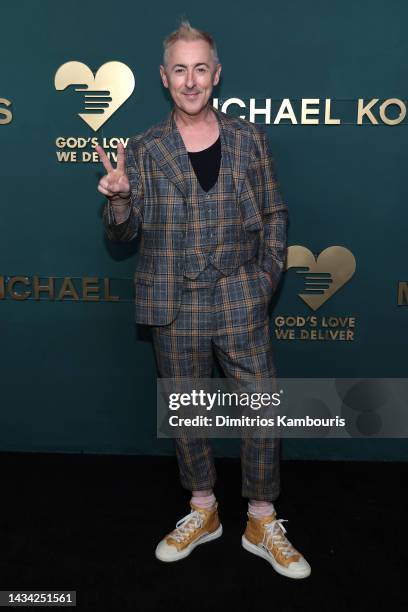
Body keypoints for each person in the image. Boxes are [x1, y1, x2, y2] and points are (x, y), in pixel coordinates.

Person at [96, 20, 311, 579]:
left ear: (216, 75)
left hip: (241, 293)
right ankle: (204, 510)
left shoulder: (250, 140)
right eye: (179, 70)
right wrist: (119, 202)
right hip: (176, 300)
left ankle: (262, 519)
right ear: (164, 78)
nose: (191, 81)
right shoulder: (142, 149)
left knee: (261, 407)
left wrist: (265, 280)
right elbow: (123, 235)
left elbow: (274, 213)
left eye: (200, 69)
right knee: (188, 410)